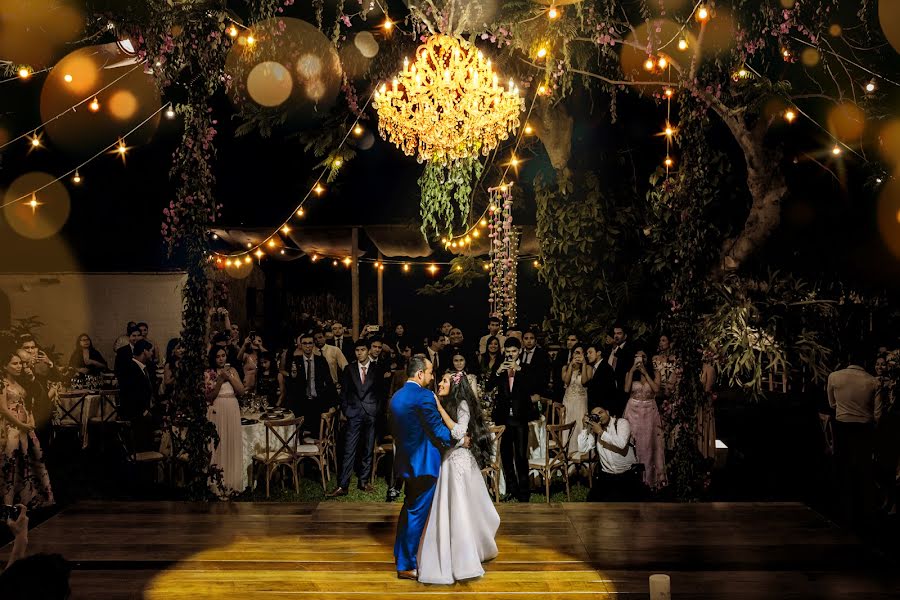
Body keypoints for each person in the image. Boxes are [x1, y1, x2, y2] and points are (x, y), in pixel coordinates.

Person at [418, 371, 499, 584]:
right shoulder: (443, 402)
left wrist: (440, 409)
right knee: (449, 506)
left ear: (454, 385)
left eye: (445, 380)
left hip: (459, 461)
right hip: (448, 458)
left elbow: (460, 432)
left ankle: (465, 553)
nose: (440, 383)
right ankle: (447, 550)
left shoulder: (461, 403)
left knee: (462, 505)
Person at [391, 357, 453, 580]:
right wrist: (457, 439)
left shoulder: (397, 397)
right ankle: (407, 565)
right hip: (424, 464)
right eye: (429, 373)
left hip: (406, 463)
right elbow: (437, 430)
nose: (432, 377)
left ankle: (400, 555)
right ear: (419, 374)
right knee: (417, 513)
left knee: (409, 509)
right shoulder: (425, 396)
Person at [827, 347, 882, 525]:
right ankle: (864, 511)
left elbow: (832, 403)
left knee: (843, 466)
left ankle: (842, 508)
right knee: (864, 468)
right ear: (865, 362)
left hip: (842, 425)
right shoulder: (873, 381)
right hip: (864, 428)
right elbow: (878, 413)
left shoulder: (834, 377)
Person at [487, 337, 541, 503]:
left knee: (520, 456)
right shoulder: (500, 367)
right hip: (503, 419)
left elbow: (532, 388)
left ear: (519, 352)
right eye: (508, 351)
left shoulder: (526, 368)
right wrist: (497, 372)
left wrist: (518, 370)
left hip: (520, 418)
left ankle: (524, 492)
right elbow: (489, 386)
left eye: (514, 351)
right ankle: (512, 488)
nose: (510, 354)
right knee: (506, 455)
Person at [0, 347, 54, 508]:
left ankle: (26, 499)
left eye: (20, 364)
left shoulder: (19, 382)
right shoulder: (2, 383)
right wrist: (21, 424)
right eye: (14, 364)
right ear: (5, 366)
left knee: (27, 462)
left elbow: (27, 403)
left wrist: (29, 420)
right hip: (11, 427)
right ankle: (7, 503)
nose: (19, 367)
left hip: (25, 427)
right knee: (10, 463)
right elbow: (2, 408)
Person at [329, 340, 382, 497]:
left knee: (367, 449)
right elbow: (343, 393)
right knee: (348, 449)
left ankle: (363, 482)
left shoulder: (376, 369)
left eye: (362, 349)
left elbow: (381, 393)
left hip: (371, 413)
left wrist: (376, 410)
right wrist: (346, 410)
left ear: (368, 351)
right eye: (357, 350)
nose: (359, 353)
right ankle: (342, 485)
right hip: (354, 413)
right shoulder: (349, 369)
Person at [577, 405, 641, 501]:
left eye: (600, 412)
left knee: (626, 505)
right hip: (607, 475)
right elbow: (582, 448)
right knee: (592, 501)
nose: (599, 416)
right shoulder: (595, 431)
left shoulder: (621, 423)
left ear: (607, 412)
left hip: (627, 474)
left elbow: (621, 443)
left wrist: (601, 433)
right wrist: (585, 428)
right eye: (595, 415)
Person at [622, 349, 666, 490]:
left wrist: (646, 374)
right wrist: (632, 370)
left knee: (649, 445)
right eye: (637, 356)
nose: (640, 359)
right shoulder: (630, 373)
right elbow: (626, 389)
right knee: (633, 442)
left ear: (646, 359)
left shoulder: (655, 373)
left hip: (649, 412)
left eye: (642, 357)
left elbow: (656, 390)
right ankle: (631, 479)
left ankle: (650, 480)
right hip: (632, 411)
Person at [205, 346, 245, 496]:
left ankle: (232, 481)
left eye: (223, 355)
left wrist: (230, 378)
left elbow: (241, 391)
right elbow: (209, 397)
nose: (221, 358)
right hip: (218, 410)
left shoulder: (232, 370)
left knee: (231, 442)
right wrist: (220, 380)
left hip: (232, 409)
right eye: (218, 356)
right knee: (219, 444)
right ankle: (217, 482)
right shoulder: (209, 373)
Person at [283, 333, 336, 433]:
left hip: (318, 401)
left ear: (313, 345)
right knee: (298, 434)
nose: (307, 346)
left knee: (317, 433)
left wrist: (333, 403)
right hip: (301, 403)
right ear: (301, 345)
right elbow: (290, 384)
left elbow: (329, 381)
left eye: (310, 343)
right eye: (305, 343)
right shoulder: (295, 361)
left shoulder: (321, 360)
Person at [562, 344, 593, 443]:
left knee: (580, 424)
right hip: (568, 401)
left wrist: (583, 364)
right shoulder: (565, 368)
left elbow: (584, 381)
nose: (576, 355)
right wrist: (571, 366)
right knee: (568, 423)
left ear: (584, 354)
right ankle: (567, 450)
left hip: (581, 402)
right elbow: (566, 381)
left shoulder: (588, 368)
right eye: (575, 352)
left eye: (579, 353)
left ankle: (581, 450)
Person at [585, 342, 616, 412]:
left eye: (590, 353)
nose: (587, 355)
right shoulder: (591, 368)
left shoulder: (607, 368)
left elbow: (610, 392)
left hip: (602, 410)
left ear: (598, 353)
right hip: (593, 409)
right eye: (587, 353)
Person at [520, 330, 550, 396]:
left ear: (536, 341)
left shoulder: (543, 354)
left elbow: (545, 376)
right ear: (522, 341)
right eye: (526, 338)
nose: (529, 341)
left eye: (531, 338)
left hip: (536, 393)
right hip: (520, 392)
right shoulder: (519, 353)